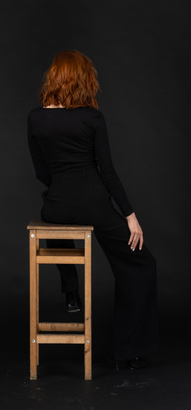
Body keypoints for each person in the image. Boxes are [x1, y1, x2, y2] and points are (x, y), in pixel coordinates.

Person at [27, 50, 159, 370]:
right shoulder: (92, 117)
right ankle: (127, 352)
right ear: (84, 79)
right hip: (95, 204)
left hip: (57, 204)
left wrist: (60, 186)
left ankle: (71, 289)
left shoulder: (36, 117)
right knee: (140, 265)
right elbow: (107, 171)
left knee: (54, 223)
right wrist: (130, 216)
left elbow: (40, 171)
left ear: (54, 77)